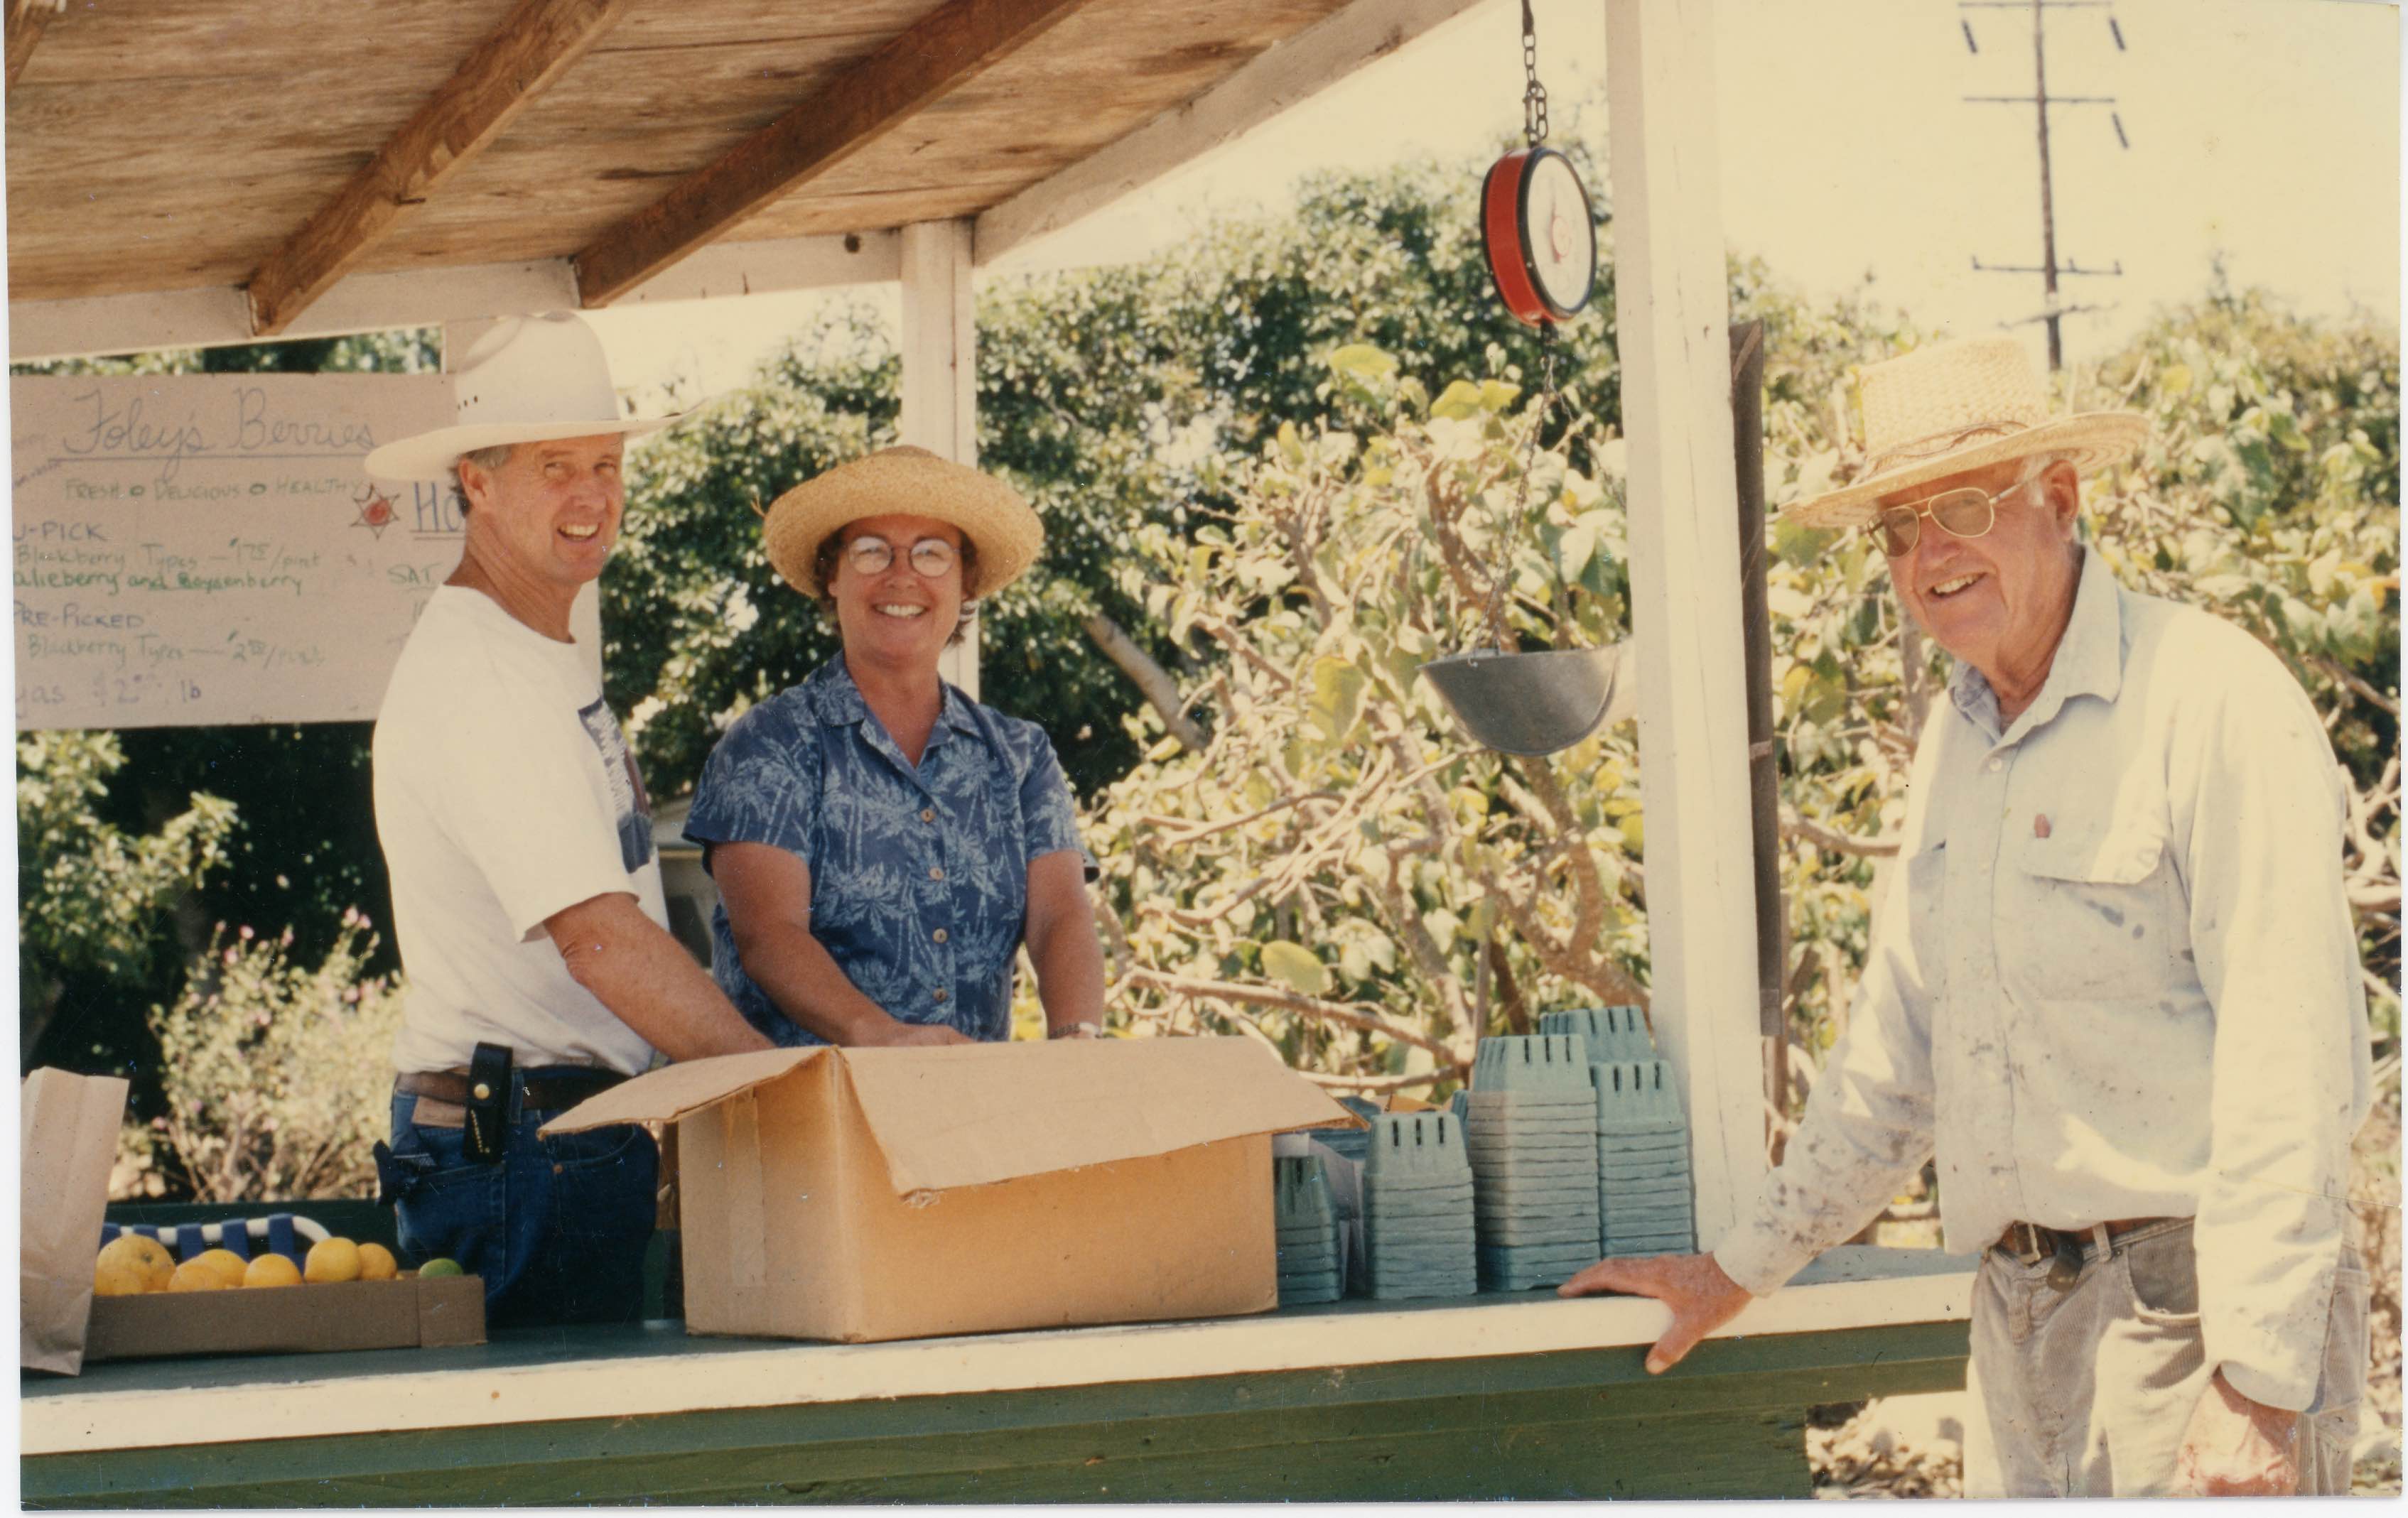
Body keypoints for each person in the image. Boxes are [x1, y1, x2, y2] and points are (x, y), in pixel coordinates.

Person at [1561, 336, 2373, 1497]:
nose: (1927, 554)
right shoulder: (1959, 737)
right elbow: (1894, 1062)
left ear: (2060, 498)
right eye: (1897, 528)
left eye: (1960, 507)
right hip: (2017, 1320)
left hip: (2194, 1322)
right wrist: (1733, 1270)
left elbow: (2287, 1064)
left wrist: (2255, 1386)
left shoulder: (2210, 699)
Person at [362, 313, 773, 1329]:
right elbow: (599, 940)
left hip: (542, 1136)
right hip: (520, 1150)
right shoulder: (486, 673)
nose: (591, 495)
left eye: (606, 464)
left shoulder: (531, 650)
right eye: (555, 468)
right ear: (477, 483)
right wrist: (773, 1086)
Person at [682, 445, 1106, 1049]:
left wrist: (1076, 1039)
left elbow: (1059, 916)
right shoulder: (770, 742)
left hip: (970, 1101)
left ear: (965, 581)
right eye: (871, 550)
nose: (901, 575)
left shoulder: (1020, 755)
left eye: (932, 553)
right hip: (805, 1099)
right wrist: (881, 1036)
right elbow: (769, 936)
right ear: (832, 574)